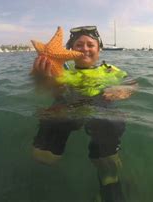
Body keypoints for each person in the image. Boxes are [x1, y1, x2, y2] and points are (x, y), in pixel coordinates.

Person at [31, 26, 137, 202]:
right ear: (70, 50)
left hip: (101, 105)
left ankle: (108, 178)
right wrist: (40, 79)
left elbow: (132, 83)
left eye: (90, 44)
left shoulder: (110, 70)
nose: (85, 48)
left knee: (111, 122)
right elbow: (52, 89)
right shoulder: (62, 71)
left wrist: (123, 89)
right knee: (43, 156)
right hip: (68, 105)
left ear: (99, 49)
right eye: (79, 45)